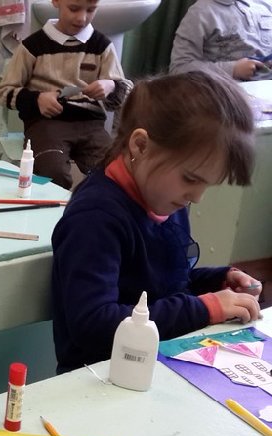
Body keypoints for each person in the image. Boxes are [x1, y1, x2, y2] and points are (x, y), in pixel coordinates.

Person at [51, 71, 263, 374]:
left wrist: (216, 282)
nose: (197, 197)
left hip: (159, 362)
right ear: (140, 146)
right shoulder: (95, 218)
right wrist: (203, 309)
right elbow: (94, 325)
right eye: (190, 179)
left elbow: (160, 286)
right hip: (99, 377)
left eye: (208, 184)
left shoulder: (163, 196)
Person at [0, 0, 133, 189]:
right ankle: (54, 207)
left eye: (91, 10)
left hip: (91, 125)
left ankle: (91, 204)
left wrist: (110, 86)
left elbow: (124, 92)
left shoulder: (101, 46)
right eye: (74, 9)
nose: (82, 18)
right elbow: (4, 92)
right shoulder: (33, 46)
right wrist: (37, 100)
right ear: (56, 2)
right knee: (53, 172)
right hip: (45, 124)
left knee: (115, 170)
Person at [170, 0, 272, 81]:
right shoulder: (199, 13)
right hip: (229, 93)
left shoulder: (266, 5)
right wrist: (232, 69)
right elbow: (179, 68)